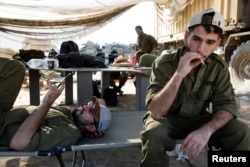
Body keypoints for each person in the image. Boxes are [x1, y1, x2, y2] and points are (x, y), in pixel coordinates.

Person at [140, 8, 250, 167]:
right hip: (168, 120)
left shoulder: (218, 67)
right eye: (196, 39)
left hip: (200, 119)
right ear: (186, 37)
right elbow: (156, 111)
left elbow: (226, 105)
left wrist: (206, 131)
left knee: (241, 132)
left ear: (218, 43)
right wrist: (179, 74)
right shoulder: (164, 63)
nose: (201, 49)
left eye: (210, 42)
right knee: (153, 133)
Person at [0, 57, 111, 151]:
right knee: (15, 67)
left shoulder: (70, 132)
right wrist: (101, 127)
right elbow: (101, 101)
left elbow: (18, 143)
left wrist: (46, 103)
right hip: (4, 111)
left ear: (91, 127)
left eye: (91, 110)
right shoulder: (70, 114)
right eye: (91, 104)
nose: (86, 106)